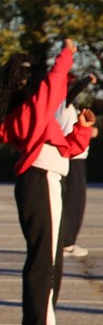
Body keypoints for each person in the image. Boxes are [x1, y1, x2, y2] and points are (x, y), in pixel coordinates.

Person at [0, 40, 95, 325]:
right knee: (45, 261)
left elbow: (66, 147)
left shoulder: (32, 114)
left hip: (45, 181)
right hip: (40, 183)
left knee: (48, 260)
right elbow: (52, 88)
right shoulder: (28, 110)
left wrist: (81, 129)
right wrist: (67, 53)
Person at [60, 72, 95, 258]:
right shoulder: (62, 102)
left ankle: (68, 240)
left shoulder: (67, 107)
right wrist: (87, 79)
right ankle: (67, 242)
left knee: (76, 202)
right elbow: (71, 91)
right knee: (73, 202)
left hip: (77, 156)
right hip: (73, 157)